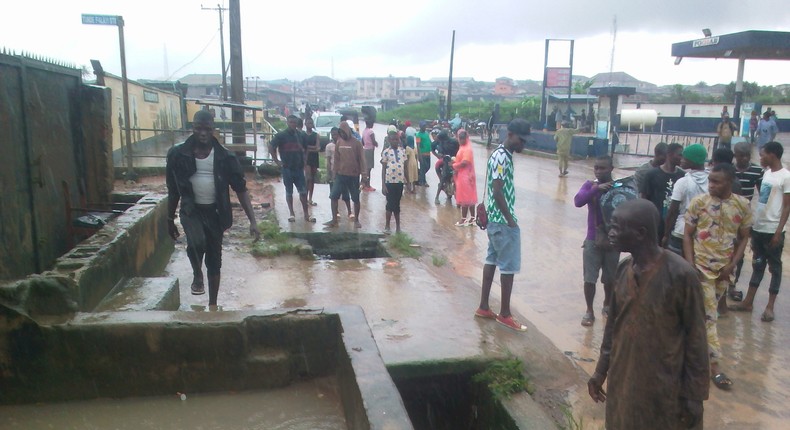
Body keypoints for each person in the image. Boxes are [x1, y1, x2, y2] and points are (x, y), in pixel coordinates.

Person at [588, 199, 709, 430]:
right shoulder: (623, 269)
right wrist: (600, 371)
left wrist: (695, 397)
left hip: (664, 387)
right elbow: (612, 328)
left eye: (616, 227)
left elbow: (697, 341)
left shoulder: (682, 275)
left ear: (640, 233)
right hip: (623, 383)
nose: (610, 233)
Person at [166, 110, 260, 306]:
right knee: (197, 242)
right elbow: (173, 190)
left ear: (213, 130)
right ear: (192, 128)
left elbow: (240, 189)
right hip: (191, 210)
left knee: (215, 259)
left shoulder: (225, 157)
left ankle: (213, 304)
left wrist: (252, 220)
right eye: (198, 129)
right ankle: (197, 274)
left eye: (207, 129)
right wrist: (169, 219)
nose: (202, 133)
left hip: (216, 212)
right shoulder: (177, 154)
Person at [683, 163, 752, 390]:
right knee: (710, 317)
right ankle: (715, 368)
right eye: (710, 181)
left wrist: (732, 264)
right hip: (700, 270)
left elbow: (743, 238)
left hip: (723, 271)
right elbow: (687, 236)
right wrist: (691, 265)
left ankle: (688, 356)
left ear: (729, 182)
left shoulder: (742, 205)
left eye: (716, 182)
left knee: (701, 317)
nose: (711, 185)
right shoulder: (699, 203)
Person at [474, 119, 529, 332]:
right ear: (511, 134)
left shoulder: (500, 153)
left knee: (491, 260)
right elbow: (497, 191)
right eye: (521, 140)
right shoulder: (501, 157)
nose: (523, 144)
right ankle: (505, 314)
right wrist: (510, 220)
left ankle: (484, 307)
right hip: (502, 222)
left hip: (495, 222)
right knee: (508, 267)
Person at [730, 142, 790, 323]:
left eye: (763, 154)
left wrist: (778, 232)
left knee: (775, 268)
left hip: (773, 230)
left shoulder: (785, 176)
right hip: (759, 227)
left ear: (772, 155)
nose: (760, 158)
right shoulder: (766, 174)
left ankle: (770, 307)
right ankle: (748, 302)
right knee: (757, 265)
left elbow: (787, 206)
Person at [574, 156, 620, 327]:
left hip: (613, 240)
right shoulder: (589, 186)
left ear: (611, 169)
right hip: (592, 239)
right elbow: (578, 201)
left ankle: (607, 304)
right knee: (589, 278)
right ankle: (589, 310)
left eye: (603, 168)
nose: (599, 171)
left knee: (610, 278)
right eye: (596, 168)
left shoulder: (619, 188)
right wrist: (596, 188)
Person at [728, 141, 764, 301]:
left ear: (750, 156)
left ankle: (732, 284)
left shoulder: (757, 170)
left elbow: (762, 193)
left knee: (740, 252)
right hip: (727, 214)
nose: (742, 159)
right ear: (735, 155)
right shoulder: (729, 169)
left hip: (744, 217)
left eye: (746, 156)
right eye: (739, 156)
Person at [664, 144, 709, 255]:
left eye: (684, 158)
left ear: (693, 160)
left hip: (681, 232)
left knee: (677, 269)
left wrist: (666, 235)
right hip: (705, 232)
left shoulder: (683, 182)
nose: (681, 160)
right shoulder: (712, 180)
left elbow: (673, 211)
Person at [270, 115, 315, 223]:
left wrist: (305, 161)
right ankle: (291, 213)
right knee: (289, 191)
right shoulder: (281, 135)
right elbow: (271, 146)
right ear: (287, 123)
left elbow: (306, 148)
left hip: (299, 168)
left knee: (303, 192)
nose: (292, 124)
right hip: (287, 168)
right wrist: (276, 160)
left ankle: (306, 214)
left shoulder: (301, 135)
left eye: (294, 123)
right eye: (290, 122)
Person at [640, 143, 685, 241]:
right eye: (679, 155)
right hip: (655, 224)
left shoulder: (682, 176)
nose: (682, 158)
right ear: (669, 154)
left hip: (674, 226)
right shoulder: (652, 174)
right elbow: (643, 199)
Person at [325, 121, 365, 228]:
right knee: (333, 196)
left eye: (343, 132)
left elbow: (362, 160)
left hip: (353, 175)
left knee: (355, 198)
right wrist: (333, 173)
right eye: (340, 133)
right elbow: (337, 159)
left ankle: (356, 220)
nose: (342, 135)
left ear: (348, 131)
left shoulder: (357, 143)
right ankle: (334, 220)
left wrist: (364, 176)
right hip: (340, 175)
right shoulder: (339, 143)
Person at [380, 127, 408, 234]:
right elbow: (383, 169)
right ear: (389, 141)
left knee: (397, 204)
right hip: (389, 182)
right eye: (393, 140)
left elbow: (405, 168)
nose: (395, 141)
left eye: (396, 139)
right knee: (389, 204)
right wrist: (383, 184)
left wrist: (408, 183)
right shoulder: (386, 152)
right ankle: (387, 226)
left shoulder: (403, 152)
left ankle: (398, 227)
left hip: (399, 182)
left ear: (399, 140)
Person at [325, 127, 353, 219]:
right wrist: (329, 173)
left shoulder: (343, 145)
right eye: (332, 134)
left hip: (343, 172)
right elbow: (328, 161)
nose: (334, 136)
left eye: (336, 134)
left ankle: (349, 211)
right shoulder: (329, 146)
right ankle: (336, 213)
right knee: (334, 194)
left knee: (345, 193)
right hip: (334, 172)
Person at [452, 129, 478, 226]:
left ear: (464, 139)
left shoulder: (467, 149)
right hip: (466, 174)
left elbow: (464, 162)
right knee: (470, 197)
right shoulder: (464, 147)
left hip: (465, 175)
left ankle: (464, 219)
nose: (460, 140)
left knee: (465, 198)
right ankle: (472, 218)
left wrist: (454, 165)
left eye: (461, 139)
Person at [432, 130, 460, 204]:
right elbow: (433, 147)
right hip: (445, 162)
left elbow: (459, 151)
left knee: (457, 179)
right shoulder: (440, 142)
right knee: (443, 179)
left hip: (454, 161)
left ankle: (455, 196)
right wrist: (439, 155)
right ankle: (437, 197)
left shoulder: (454, 142)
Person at [303, 117, 320, 206]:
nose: (309, 125)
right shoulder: (303, 135)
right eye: (308, 123)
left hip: (314, 158)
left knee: (312, 179)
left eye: (311, 123)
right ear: (305, 124)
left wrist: (308, 148)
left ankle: (310, 198)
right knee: (308, 178)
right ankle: (305, 197)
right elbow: (302, 148)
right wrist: (311, 148)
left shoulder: (316, 135)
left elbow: (318, 148)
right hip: (306, 159)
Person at [360, 120, 378, 191]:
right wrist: (376, 144)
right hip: (370, 151)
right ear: (370, 123)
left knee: (365, 168)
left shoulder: (364, 131)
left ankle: (363, 183)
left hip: (365, 150)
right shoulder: (371, 132)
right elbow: (374, 141)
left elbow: (362, 142)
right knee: (369, 169)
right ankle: (367, 185)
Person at [415, 121, 432, 187]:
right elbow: (418, 145)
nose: (424, 127)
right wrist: (419, 156)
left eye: (425, 126)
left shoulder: (427, 133)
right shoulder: (418, 135)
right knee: (423, 168)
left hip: (428, 153)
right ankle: (423, 182)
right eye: (423, 126)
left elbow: (429, 141)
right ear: (420, 127)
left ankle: (419, 177)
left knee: (428, 167)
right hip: (422, 154)